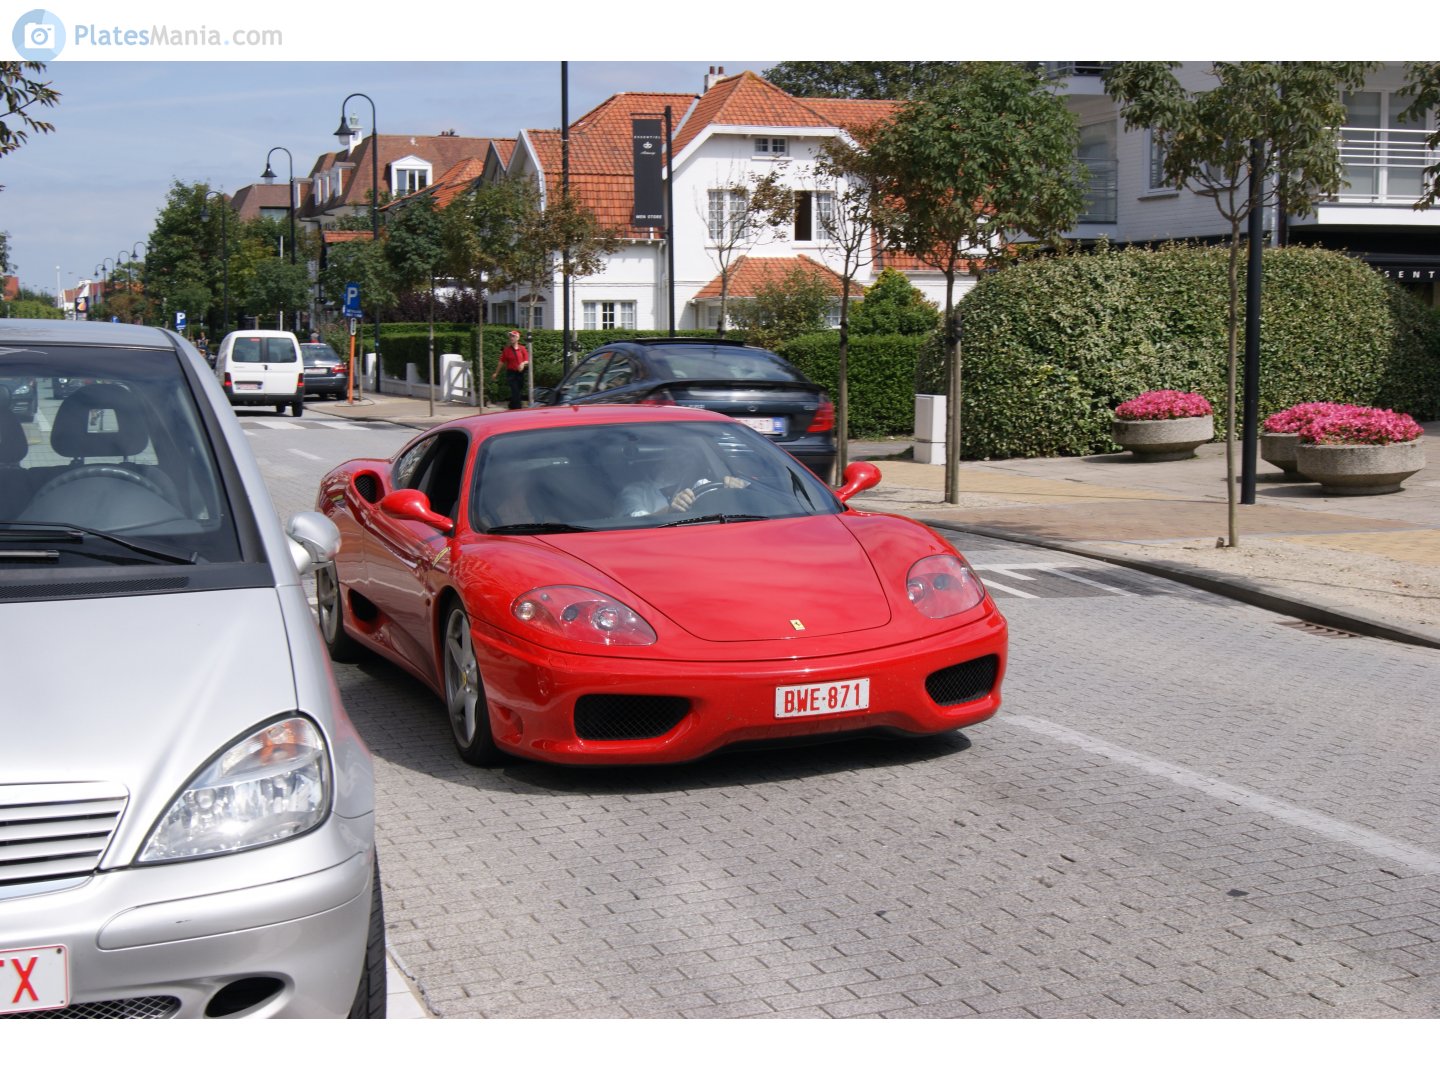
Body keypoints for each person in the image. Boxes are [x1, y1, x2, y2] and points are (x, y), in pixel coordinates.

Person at [492, 330, 529, 410]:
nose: (511, 338)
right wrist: (496, 373)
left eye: (513, 336)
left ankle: (511, 405)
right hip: (511, 374)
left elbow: (527, 360)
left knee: (518, 391)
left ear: (517, 338)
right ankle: (518, 409)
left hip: (520, 374)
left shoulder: (522, 349)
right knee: (515, 391)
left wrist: (523, 364)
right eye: (510, 336)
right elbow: (501, 362)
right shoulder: (507, 350)